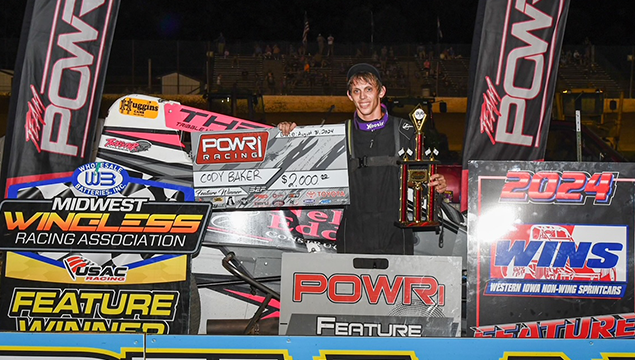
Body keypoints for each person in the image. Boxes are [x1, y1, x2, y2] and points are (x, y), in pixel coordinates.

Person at [278, 63, 447, 255]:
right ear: (350, 96)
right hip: (353, 239)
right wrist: (288, 137)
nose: (363, 97)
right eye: (356, 91)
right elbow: (300, 167)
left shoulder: (405, 131)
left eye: (368, 89)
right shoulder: (338, 135)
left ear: (381, 91)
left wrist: (437, 185)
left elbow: (425, 181)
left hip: (396, 238)